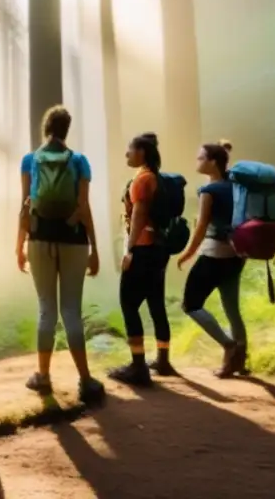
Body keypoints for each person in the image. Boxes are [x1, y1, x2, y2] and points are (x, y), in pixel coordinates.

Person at [16, 105, 105, 403]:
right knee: (71, 311)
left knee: (46, 310)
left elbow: (25, 207)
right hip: (74, 239)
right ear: (68, 130)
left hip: (39, 239)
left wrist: (20, 244)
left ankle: (42, 377)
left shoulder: (30, 160)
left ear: (46, 128)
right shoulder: (79, 161)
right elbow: (84, 207)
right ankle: (86, 380)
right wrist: (94, 247)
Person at [177, 140, 248, 378]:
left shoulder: (208, 192)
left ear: (212, 162)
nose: (197, 161)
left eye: (201, 158)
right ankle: (241, 361)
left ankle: (229, 346)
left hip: (213, 255)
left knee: (191, 304)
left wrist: (187, 253)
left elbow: (201, 228)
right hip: (237, 255)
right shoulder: (236, 186)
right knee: (232, 309)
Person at [108, 133, 173, 386]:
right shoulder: (157, 177)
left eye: (130, 149)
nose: (126, 154)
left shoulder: (142, 180)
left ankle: (138, 367)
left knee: (128, 304)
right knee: (156, 303)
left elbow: (139, 216)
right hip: (158, 249)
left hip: (143, 248)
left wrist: (129, 250)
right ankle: (163, 361)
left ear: (142, 152)